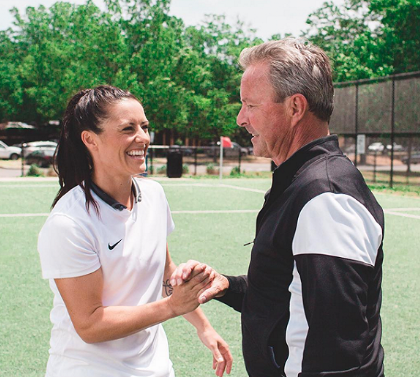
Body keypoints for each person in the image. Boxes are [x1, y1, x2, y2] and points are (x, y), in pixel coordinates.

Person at [171, 38, 385, 377]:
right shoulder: (300, 180)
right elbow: (290, 298)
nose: (241, 119)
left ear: (295, 108)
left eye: (250, 105)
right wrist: (228, 285)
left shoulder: (325, 197)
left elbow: (342, 350)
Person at [37, 85, 232, 377]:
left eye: (144, 126)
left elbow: (166, 270)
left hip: (156, 368)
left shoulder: (153, 194)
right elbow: (89, 325)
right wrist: (171, 307)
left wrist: (203, 327)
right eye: (128, 128)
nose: (142, 137)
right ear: (90, 139)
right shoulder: (69, 223)